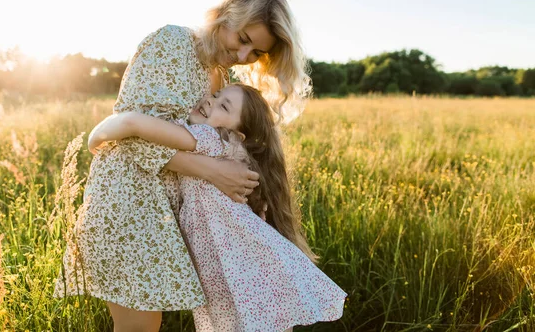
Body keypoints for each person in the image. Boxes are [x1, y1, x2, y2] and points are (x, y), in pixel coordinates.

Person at [54, 0, 312, 332]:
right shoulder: (173, 42)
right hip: (128, 200)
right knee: (139, 327)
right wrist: (214, 171)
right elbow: (130, 132)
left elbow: (215, 142)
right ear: (226, 14)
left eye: (257, 52)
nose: (243, 54)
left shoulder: (221, 76)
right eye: (244, 37)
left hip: (167, 212)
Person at [87, 83, 347, 332]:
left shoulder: (212, 138)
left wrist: (97, 134)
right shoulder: (229, 146)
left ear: (237, 133)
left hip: (233, 260)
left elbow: (134, 124)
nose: (211, 101)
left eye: (224, 107)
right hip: (232, 262)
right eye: (217, 94)